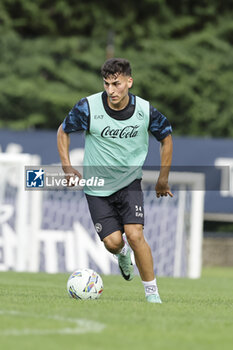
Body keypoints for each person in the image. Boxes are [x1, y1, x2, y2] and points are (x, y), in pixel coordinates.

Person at [57, 58, 173, 303]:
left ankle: (153, 295)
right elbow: (63, 131)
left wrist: (163, 178)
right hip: (97, 186)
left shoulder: (144, 110)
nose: (111, 90)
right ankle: (121, 255)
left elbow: (166, 136)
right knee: (113, 242)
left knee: (135, 234)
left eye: (116, 84)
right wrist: (67, 168)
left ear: (129, 82)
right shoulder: (87, 107)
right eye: (107, 84)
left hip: (129, 183)